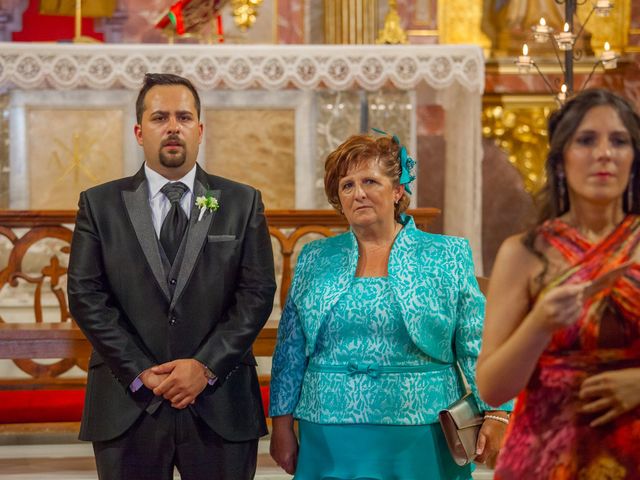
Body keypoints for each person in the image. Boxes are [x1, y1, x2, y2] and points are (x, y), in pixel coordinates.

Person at [67, 73, 276, 480]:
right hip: (128, 401)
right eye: (160, 117)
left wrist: (204, 367)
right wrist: (140, 371)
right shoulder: (99, 204)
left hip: (219, 399)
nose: (173, 127)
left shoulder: (241, 202)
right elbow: (85, 294)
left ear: (200, 129)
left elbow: (256, 293)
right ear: (139, 131)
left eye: (183, 117)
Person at [269, 133, 512, 479]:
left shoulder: (447, 254)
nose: (359, 193)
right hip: (327, 432)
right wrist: (281, 426)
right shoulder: (314, 257)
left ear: (398, 190)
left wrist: (498, 412)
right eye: (347, 185)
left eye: (370, 181)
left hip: (422, 434)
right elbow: (290, 352)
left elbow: (479, 344)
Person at [477, 88, 640, 479]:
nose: (604, 153)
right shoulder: (524, 253)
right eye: (586, 140)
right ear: (562, 159)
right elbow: (491, 388)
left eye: (619, 141)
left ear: (634, 160)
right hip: (546, 455)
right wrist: (539, 325)